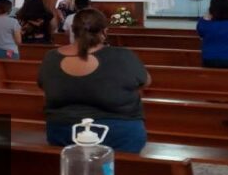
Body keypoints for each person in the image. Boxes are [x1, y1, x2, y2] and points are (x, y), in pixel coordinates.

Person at [38, 8, 150, 153]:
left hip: (64, 133)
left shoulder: (51, 57)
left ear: (73, 30)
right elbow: (145, 81)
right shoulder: (123, 56)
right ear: (104, 32)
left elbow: (43, 86)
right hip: (120, 135)